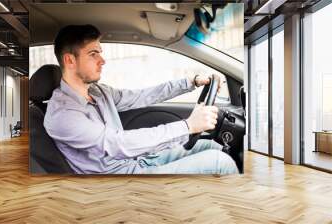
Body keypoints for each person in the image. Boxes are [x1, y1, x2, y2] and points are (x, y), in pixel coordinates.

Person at [44, 24, 238, 175]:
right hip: (118, 180)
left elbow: (143, 96)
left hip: (136, 161)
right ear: (70, 60)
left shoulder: (98, 92)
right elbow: (116, 144)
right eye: (93, 54)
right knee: (221, 163)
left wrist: (190, 82)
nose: (102, 60)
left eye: (100, 53)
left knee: (212, 145)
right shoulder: (62, 115)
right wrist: (188, 126)